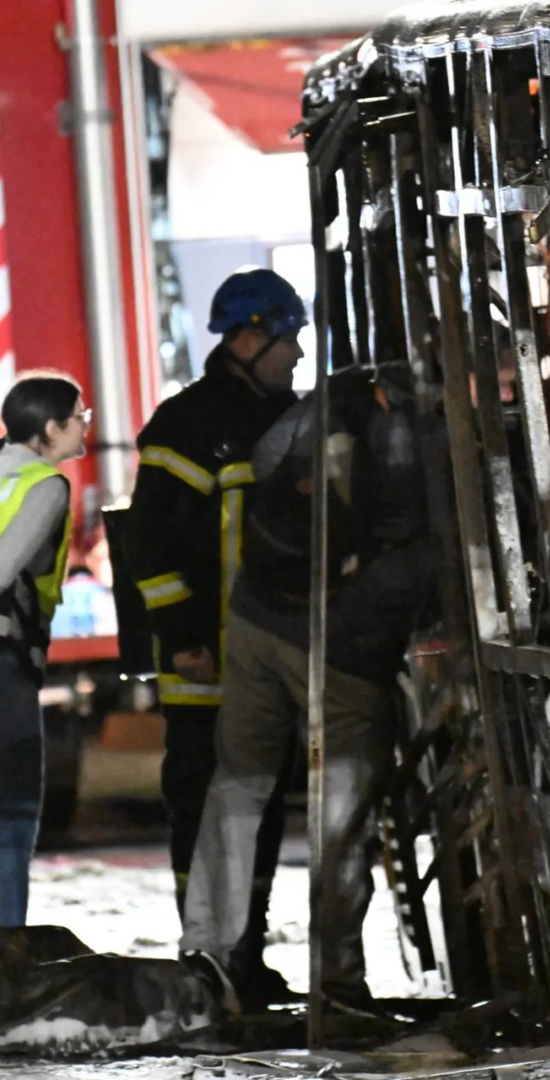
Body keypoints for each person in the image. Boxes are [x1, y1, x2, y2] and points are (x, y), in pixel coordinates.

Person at [181, 362, 436, 1012]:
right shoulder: (411, 438)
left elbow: (267, 472)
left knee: (237, 786)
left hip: (254, 614)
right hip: (334, 640)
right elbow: (409, 552)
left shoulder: (319, 406)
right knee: (342, 812)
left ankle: (207, 966)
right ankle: (338, 990)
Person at [124, 267, 304, 998]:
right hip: (202, 659)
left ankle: (245, 954)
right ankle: (202, 961)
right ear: (248, 336)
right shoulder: (186, 425)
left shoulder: (286, 420)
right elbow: (148, 545)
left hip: (266, 656)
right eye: (287, 339)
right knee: (199, 804)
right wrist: (181, 637)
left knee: (258, 810)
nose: (295, 354)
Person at [0, 374, 89, 926]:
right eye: (79, 418)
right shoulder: (44, 485)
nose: (84, 428)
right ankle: (5, 975)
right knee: (8, 831)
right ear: (50, 429)